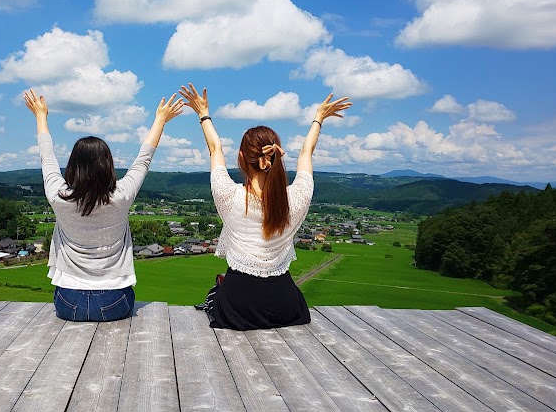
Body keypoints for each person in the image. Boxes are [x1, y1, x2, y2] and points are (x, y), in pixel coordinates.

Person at [179, 83, 352, 330]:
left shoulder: (228, 196)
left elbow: (215, 148)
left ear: (241, 158)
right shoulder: (295, 199)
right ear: (275, 158)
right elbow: (306, 153)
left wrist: (203, 113)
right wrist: (318, 119)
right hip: (284, 303)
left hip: (238, 303)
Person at [24, 89, 183, 321]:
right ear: (107, 165)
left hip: (68, 302)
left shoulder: (59, 197)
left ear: (72, 166)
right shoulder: (121, 196)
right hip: (114, 301)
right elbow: (143, 160)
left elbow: (46, 158)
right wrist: (160, 119)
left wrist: (41, 117)